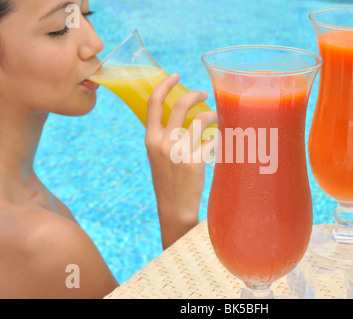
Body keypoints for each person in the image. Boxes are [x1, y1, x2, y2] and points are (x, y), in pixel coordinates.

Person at [0, 0, 217, 299]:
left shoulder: (22, 192)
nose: (95, 42)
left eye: (86, 15)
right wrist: (178, 217)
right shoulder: (44, 245)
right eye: (59, 29)